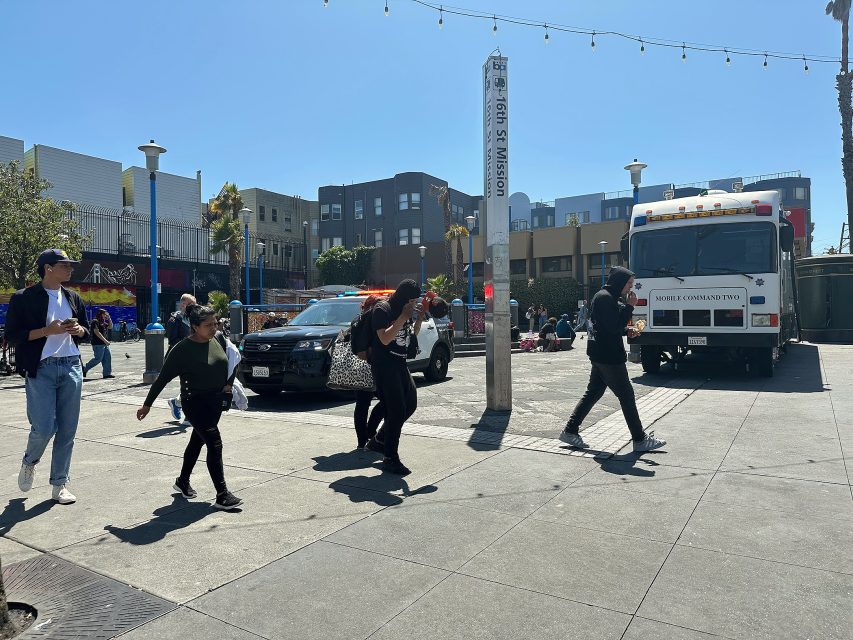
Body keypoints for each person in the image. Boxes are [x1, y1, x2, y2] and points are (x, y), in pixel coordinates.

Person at [136, 304, 243, 510]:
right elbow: (161, 379)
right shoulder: (182, 350)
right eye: (208, 325)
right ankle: (222, 494)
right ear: (194, 326)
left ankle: (182, 482)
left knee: (197, 442)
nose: (214, 328)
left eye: (216, 323)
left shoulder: (218, 339)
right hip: (195, 403)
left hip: (215, 402)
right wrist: (147, 405)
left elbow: (233, 359)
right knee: (214, 443)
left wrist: (229, 384)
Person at [6, 249, 89, 504]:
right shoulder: (24, 298)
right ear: (48, 268)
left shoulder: (73, 297)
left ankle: (60, 484)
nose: (70, 269)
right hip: (41, 368)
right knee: (43, 428)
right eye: (65, 265)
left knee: (67, 430)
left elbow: (86, 331)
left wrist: (78, 330)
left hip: (71, 365)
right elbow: (12, 336)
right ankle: (29, 462)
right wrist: (46, 331)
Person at [559, 267, 666, 453]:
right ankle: (640, 439)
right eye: (629, 284)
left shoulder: (605, 297)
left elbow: (609, 326)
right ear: (619, 282)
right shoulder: (605, 298)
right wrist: (631, 307)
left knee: (593, 393)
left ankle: (570, 431)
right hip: (609, 356)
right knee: (626, 396)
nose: (630, 288)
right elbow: (612, 326)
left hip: (601, 354)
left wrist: (627, 330)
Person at [363, 280, 424, 475]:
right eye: (412, 301)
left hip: (400, 364)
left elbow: (410, 335)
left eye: (415, 301)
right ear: (403, 298)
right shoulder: (383, 309)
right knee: (396, 411)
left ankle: (379, 440)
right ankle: (390, 457)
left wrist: (418, 318)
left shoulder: (404, 311)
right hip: (384, 367)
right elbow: (385, 338)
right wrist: (402, 317)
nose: (413, 304)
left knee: (410, 404)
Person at [351, 295, 385, 449]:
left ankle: (361, 440)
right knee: (387, 402)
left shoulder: (356, 320)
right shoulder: (374, 318)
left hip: (360, 367)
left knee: (362, 405)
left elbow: (354, 346)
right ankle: (371, 432)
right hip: (376, 365)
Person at [165, 293, 196, 423]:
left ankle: (177, 402)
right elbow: (172, 339)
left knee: (193, 384)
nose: (193, 307)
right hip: (181, 356)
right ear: (183, 304)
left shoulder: (192, 318)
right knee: (190, 384)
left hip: (193, 355)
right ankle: (188, 415)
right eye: (190, 305)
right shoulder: (176, 319)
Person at [83, 308, 115, 379]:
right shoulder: (95, 321)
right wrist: (105, 341)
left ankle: (107, 374)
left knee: (107, 358)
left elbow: (110, 326)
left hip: (104, 344)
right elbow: (96, 332)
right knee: (98, 359)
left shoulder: (103, 322)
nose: (105, 315)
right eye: (104, 314)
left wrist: (109, 318)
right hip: (97, 344)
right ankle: (84, 368)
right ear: (100, 314)